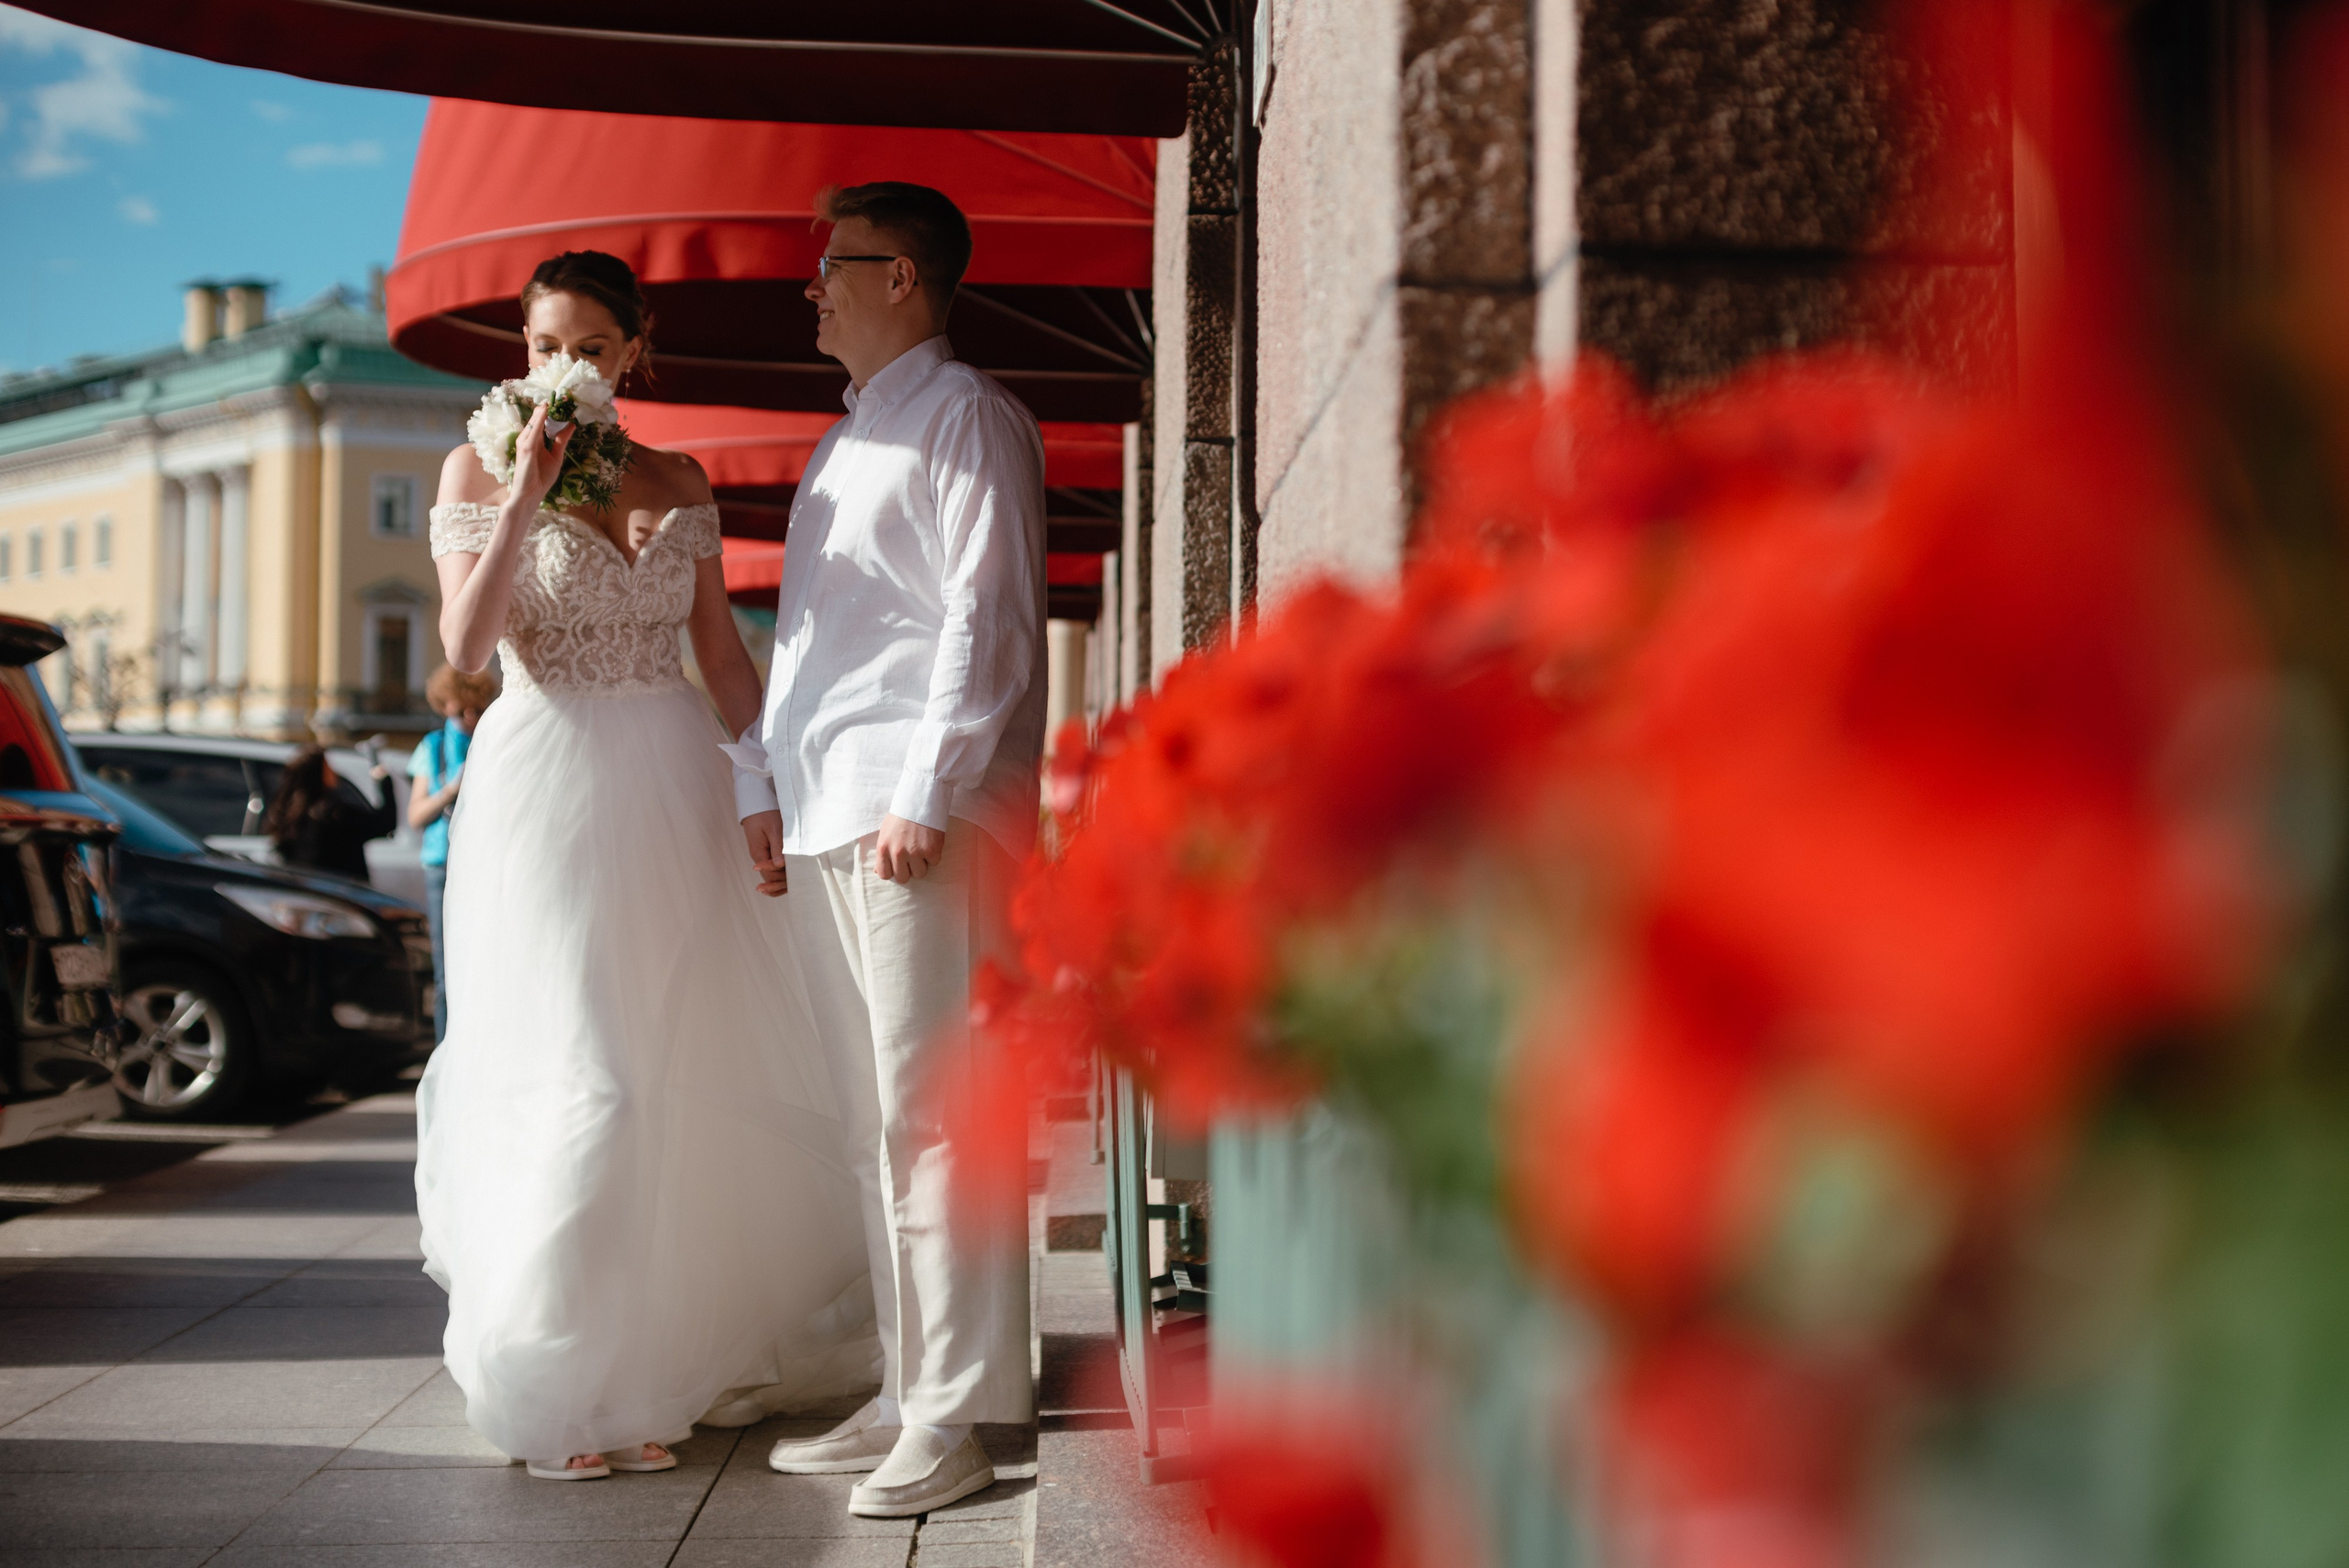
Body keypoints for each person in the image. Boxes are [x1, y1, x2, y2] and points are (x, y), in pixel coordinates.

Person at [413, 250, 878, 1482]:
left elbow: (724, 658)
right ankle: (560, 1379)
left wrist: (763, 778)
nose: (561, 370)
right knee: (588, 1076)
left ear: (634, 351)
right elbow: (464, 647)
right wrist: (523, 496)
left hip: (673, 783)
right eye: (540, 347)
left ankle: (654, 1361)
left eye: (589, 348)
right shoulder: (472, 466)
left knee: (673, 1068)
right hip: (545, 784)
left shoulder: (680, 477)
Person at [730, 181, 1044, 1518]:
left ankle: (960, 1413)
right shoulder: (849, 438)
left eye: (834, 267)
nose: (813, 288)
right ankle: (918, 1384)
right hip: (831, 807)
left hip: (911, 811)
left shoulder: (967, 413)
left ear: (904, 276)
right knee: (878, 1119)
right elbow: (808, 643)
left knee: (932, 1114)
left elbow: (986, 616)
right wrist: (760, 777)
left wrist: (932, 783)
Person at [407, 662, 496, 1042]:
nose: (470, 718)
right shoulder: (433, 747)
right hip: (442, 864)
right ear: (445, 706)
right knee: (446, 970)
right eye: (461, 711)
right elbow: (416, 815)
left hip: (484, 862)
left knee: (486, 963)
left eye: (477, 710)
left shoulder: (492, 741)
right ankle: (447, 1050)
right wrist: (448, 791)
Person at [264, 746, 396, 882]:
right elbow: (383, 823)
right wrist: (385, 781)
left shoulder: (288, 813)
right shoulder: (333, 813)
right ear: (319, 773)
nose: (333, 772)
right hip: (340, 892)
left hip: (306, 891)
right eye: (328, 767)